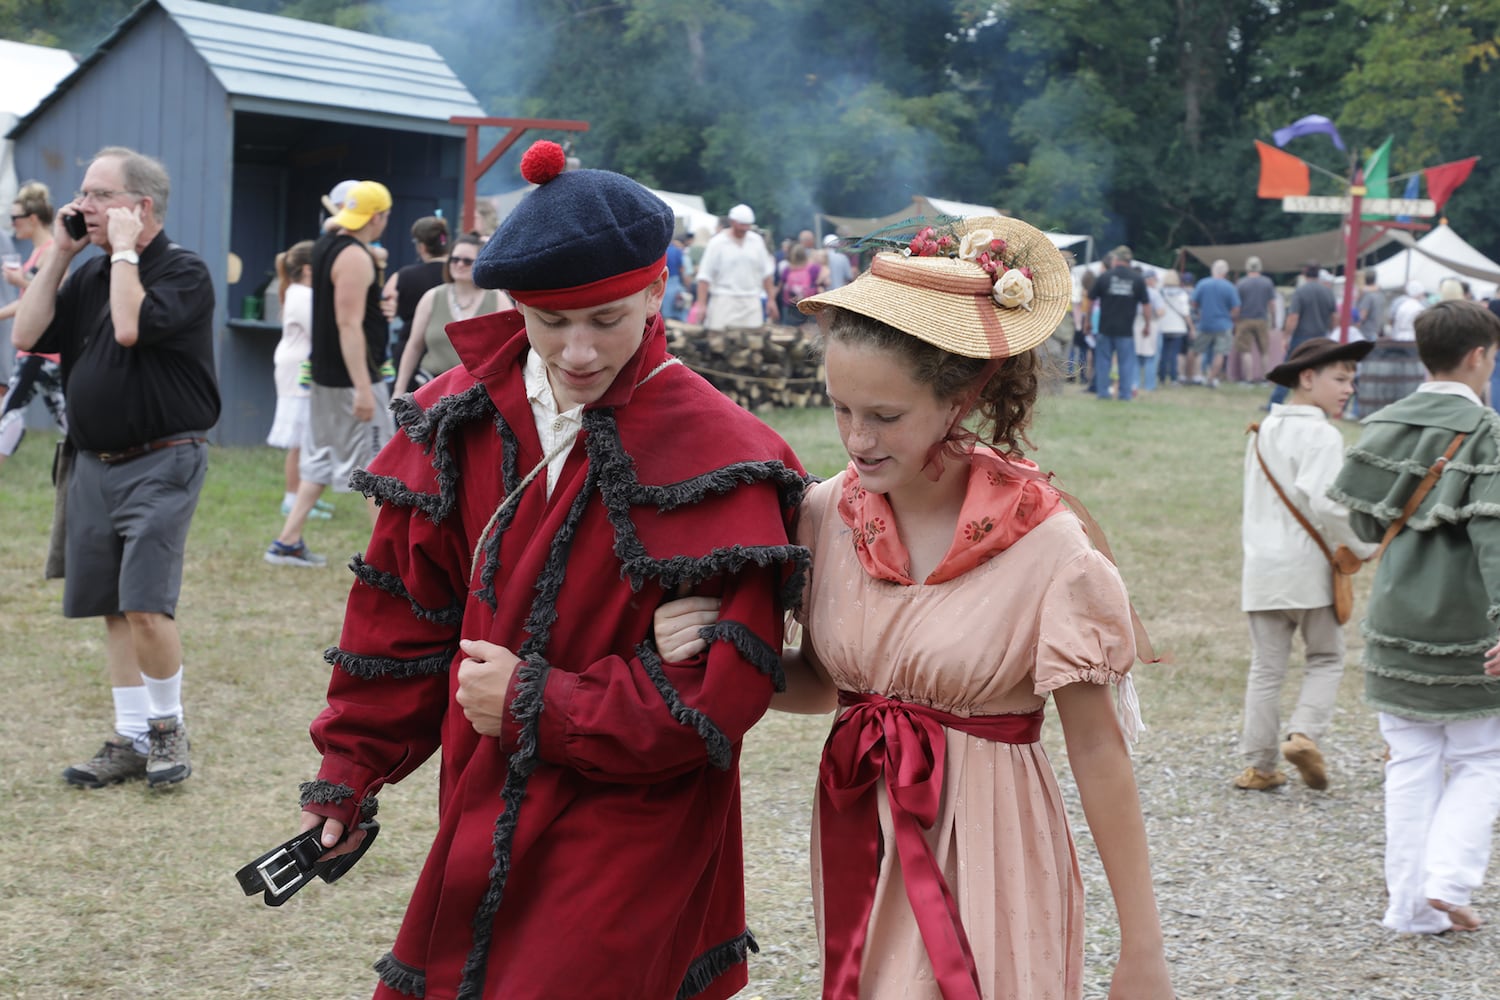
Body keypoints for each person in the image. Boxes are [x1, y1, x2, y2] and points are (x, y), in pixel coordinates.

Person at [285, 140, 808, 999]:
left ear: (655, 290)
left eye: (605, 320)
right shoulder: (459, 423)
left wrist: (535, 701)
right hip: (485, 793)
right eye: (547, 321)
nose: (575, 352)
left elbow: (716, 699)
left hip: (640, 822)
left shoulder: (725, 458)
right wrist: (348, 773)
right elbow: (399, 623)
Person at [657, 215, 1173, 998]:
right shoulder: (824, 516)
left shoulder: (1052, 548)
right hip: (865, 833)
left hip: (993, 851)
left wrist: (1142, 949)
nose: (856, 440)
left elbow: (1099, 752)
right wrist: (722, 646)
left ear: (962, 395)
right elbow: (828, 686)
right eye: (840, 409)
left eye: (885, 417)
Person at [12, 146, 220, 789]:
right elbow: (25, 334)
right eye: (82, 193)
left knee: (146, 607)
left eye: (99, 195)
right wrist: (64, 256)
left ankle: (167, 731)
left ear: (140, 207)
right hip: (93, 463)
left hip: (163, 459)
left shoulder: (183, 271)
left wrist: (124, 253)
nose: (81, 206)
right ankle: (131, 738)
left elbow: (130, 329)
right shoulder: (87, 273)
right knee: (111, 605)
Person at [1330, 299, 1500, 934]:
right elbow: (1494, 536)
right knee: (1484, 757)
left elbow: (1368, 522)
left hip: (1397, 616)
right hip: (1469, 623)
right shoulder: (1488, 432)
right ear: (1480, 354)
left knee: (1409, 759)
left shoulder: (1383, 424)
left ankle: (1409, 908)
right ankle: (1449, 881)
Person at [1236, 338, 1376, 791]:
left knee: (1266, 667)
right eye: (1340, 378)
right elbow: (1328, 504)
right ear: (1307, 378)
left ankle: (1260, 766)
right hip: (1309, 568)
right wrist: (1364, 546)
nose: (1348, 388)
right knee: (1327, 657)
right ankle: (1303, 736)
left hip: (1262, 569)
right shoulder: (1323, 434)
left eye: (1352, 379)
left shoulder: (1264, 430)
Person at [265, 180, 394, 566]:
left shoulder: (327, 245)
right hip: (352, 380)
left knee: (320, 460)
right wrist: (363, 389)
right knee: (377, 465)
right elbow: (348, 324)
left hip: (324, 376)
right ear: (378, 217)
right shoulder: (354, 257)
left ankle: (287, 541)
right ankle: (389, 561)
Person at [0, 181, 67, 469]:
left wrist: (19, 282)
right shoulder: (38, 252)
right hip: (40, 350)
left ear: (32, 219)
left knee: (9, 412)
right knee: (65, 415)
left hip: (39, 350)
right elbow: (30, 300)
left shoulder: (52, 251)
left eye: (15, 218)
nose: (12, 225)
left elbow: (52, 295)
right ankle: (98, 457)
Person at [392, 233, 508, 395]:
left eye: (467, 261)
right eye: (454, 259)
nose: (459, 264)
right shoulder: (431, 297)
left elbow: (509, 349)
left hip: (479, 392)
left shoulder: (497, 299)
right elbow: (413, 346)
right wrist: (399, 389)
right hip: (433, 387)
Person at [265, 239, 331, 520]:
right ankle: (293, 498)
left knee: (308, 438)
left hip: (299, 365)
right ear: (307, 269)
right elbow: (320, 330)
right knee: (301, 440)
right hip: (299, 370)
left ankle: (304, 495)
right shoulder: (302, 295)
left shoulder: (300, 292)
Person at [693, 203, 778, 330]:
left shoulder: (756, 241)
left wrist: (771, 300)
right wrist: (702, 305)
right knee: (720, 342)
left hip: (751, 302)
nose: (745, 228)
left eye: (748, 225)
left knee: (752, 341)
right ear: (732, 222)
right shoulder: (717, 243)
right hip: (723, 301)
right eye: (742, 224)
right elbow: (704, 276)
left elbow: (766, 274)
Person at [381, 215, 449, 365]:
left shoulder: (403, 275)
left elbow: (387, 304)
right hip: (448, 352)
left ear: (421, 246)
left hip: (410, 353)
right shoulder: (459, 275)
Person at [1270, 264, 1338, 406]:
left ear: (1304, 274)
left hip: (1302, 337)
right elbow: (1334, 317)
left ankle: (1275, 402)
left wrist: (1286, 336)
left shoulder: (1300, 291)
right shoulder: (1328, 292)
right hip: (1321, 337)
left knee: (1289, 370)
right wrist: (1331, 332)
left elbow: (1293, 317)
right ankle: (1317, 403)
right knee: (1318, 373)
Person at [1089, 244, 1150, 400]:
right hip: (1126, 330)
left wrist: (1088, 322)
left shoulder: (1105, 277)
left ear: (1115, 259)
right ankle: (1125, 394)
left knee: (1103, 362)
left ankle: (1103, 393)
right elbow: (1146, 304)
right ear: (1129, 260)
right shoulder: (1137, 279)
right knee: (1126, 363)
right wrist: (1147, 324)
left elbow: (1090, 299)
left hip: (1105, 327)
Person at [1189, 259, 1240, 388]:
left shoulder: (1202, 284)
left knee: (1196, 350)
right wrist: (1230, 317)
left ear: (1212, 270)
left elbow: (1193, 303)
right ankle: (1211, 379)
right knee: (1220, 353)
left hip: (1205, 323)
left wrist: (1200, 312)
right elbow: (1236, 308)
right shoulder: (1230, 287)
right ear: (1225, 272)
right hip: (1223, 325)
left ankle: (1193, 376)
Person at [1235, 255, 1277, 382]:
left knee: (1246, 350)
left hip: (1244, 319)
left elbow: (1237, 305)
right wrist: (1274, 319)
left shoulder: (1241, 283)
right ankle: (1265, 379)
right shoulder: (1267, 282)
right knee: (1264, 350)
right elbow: (1272, 304)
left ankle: (1248, 379)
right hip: (1262, 319)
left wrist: (1235, 320)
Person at [1156, 269, 1193, 384]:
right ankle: (1173, 378)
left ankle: (1161, 377)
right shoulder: (1182, 293)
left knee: (1163, 353)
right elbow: (1185, 312)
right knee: (1174, 354)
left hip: (1162, 326)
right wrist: (1191, 327)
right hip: (1178, 327)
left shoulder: (1160, 292)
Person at [776, 243, 821, 327]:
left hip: (790, 305)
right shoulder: (814, 268)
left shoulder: (788, 269)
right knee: (810, 330)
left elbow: (780, 286)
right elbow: (820, 282)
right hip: (809, 304)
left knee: (790, 330)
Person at [1355, 269, 1386, 342]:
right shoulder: (1380, 294)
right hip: (1376, 331)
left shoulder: (1367, 296)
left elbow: (1362, 315)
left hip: (1366, 333)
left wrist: (1356, 327)